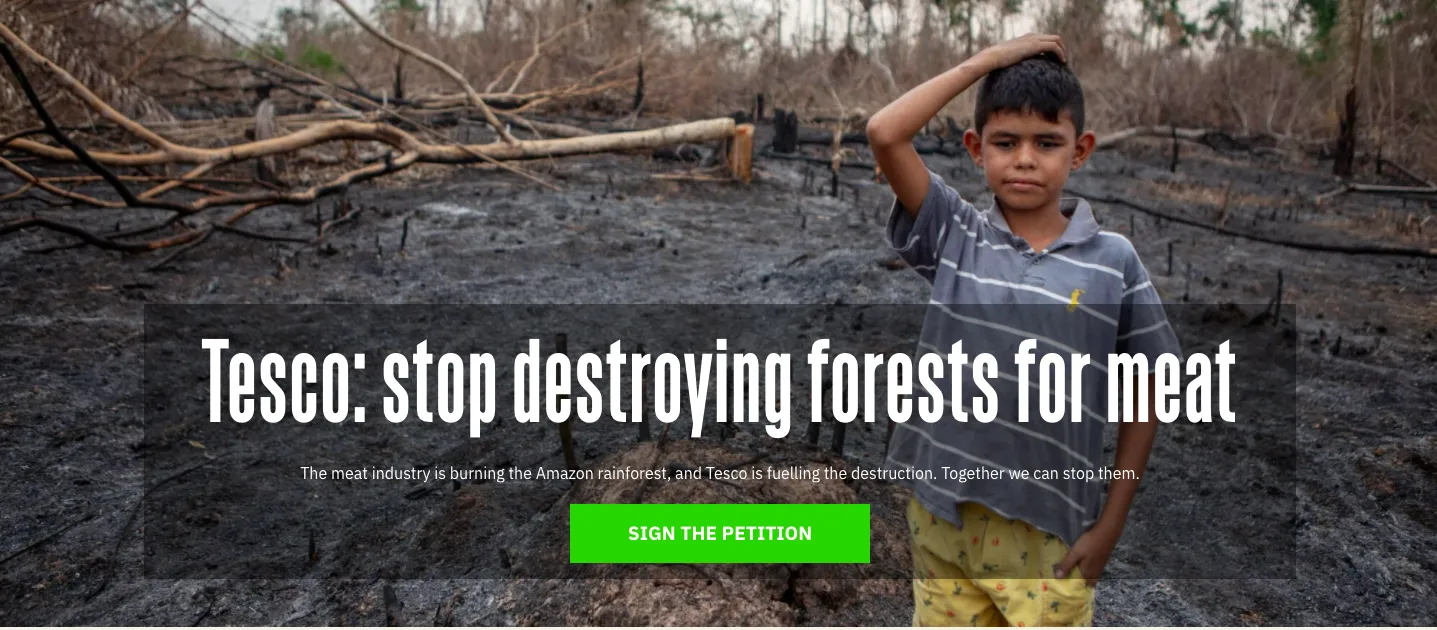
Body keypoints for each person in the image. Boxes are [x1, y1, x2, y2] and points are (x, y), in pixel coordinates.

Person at [867, 34, 1180, 627]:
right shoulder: (956, 234)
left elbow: (1150, 390)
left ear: (1080, 150)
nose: (1025, 159)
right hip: (941, 522)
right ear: (976, 148)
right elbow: (885, 132)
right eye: (1005, 143)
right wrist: (989, 61)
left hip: (1049, 539)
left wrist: (1111, 524)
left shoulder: (1113, 262)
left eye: (1047, 143)